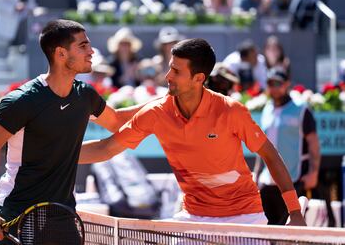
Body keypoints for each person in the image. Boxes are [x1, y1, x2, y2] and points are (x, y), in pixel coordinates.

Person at [79, 38, 306, 226]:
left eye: (176, 71)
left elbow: (270, 155)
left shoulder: (231, 111)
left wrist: (294, 211)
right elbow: (107, 147)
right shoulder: (157, 112)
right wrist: (52, 153)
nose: (168, 76)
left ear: (199, 78)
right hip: (194, 218)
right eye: (170, 67)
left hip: (245, 217)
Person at [0, 19, 149, 244]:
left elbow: (118, 122)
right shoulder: (22, 100)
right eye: (83, 46)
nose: (91, 51)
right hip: (16, 216)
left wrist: (166, 104)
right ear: (61, 54)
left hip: (63, 217)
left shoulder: (85, 96)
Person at [255, 68, 320, 225]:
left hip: (293, 181)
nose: (274, 87)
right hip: (268, 182)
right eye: (270, 83)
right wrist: (256, 174)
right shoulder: (267, 109)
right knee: (267, 231)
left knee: (290, 232)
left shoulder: (301, 109)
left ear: (287, 84)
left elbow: (313, 143)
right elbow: (260, 145)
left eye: (278, 83)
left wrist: (313, 172)